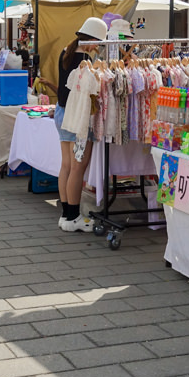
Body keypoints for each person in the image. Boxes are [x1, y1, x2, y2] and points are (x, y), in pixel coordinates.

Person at [55, 17, 107, 233]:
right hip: (78, 116)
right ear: (92, 39)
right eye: (99, 42)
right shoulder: (85, 59)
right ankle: (74, 216)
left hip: (62, 112)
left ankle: (66, 215)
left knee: (66, 166)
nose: (98, 46)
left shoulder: (66, 51)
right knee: (78, 167)